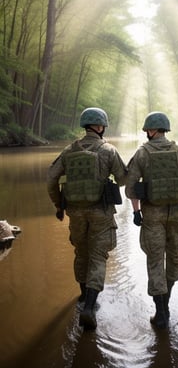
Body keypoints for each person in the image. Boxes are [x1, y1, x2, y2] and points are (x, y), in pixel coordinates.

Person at [47, 107, 127, 331]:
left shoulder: (69, 150)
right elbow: (122, 179)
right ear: (100, 127)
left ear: (85, 125)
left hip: (76, 211)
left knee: (81, 252)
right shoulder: (109, 150)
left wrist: (58, 205)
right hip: (101, 211)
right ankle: (90, 307)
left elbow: (51, 180)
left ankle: (82, 297)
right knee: (98, 256)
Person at [125, 111, 178, 329]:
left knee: (155, 260)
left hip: (152, 215)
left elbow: (131, 189)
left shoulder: (142, 154)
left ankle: (160, 312)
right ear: (165, 130)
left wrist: (136, 212)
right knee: (174, 256)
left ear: (151, 131)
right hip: (177, 215)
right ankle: (167, 303)